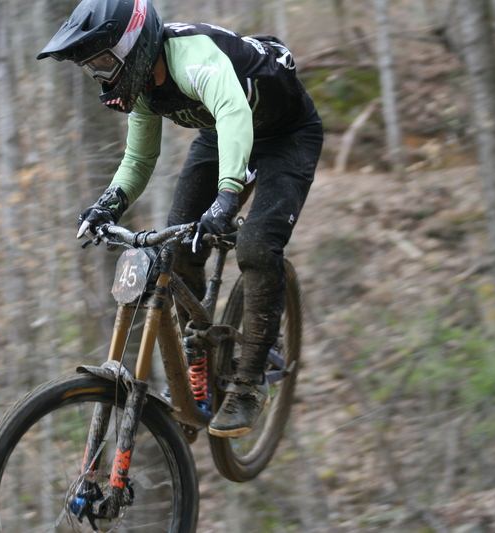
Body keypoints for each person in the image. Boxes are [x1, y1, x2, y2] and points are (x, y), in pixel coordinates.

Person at [38, 0, 323, 438]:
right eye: (90, 67)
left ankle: (249, 382)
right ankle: (200, 370)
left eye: (102, 62)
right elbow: (139, 158)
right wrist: (108, 205)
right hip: (220, 136)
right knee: (179, 246)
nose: (98, 74)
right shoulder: (143, 88)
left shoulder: (193, 58)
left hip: (287, 136)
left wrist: (227, 195)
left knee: (256, 246)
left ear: (132, 45)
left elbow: (233, 112)